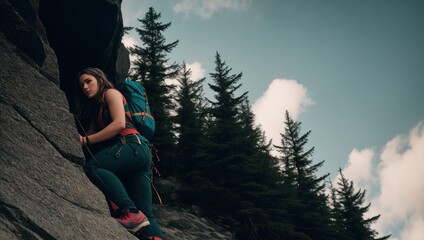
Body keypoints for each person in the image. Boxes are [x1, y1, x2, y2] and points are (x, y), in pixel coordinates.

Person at [74, 67, 164, 240]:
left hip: (132, 146)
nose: (85, 87)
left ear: (99, 80)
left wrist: (85, 140)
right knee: (146, 213)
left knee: (93, 168)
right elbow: (90, 139)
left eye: (88, 81)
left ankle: (129, 210)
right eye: (81, 86)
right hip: (137, 155)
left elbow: (119, 125)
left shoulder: (111, 93)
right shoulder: (98, 110)